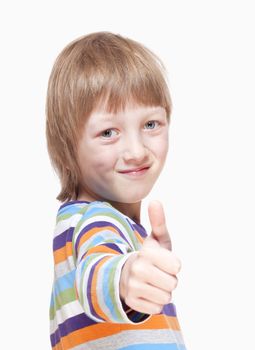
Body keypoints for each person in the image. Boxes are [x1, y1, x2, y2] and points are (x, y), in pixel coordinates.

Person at [46, 31, 186, 350]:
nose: (136, 150)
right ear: (68, 146)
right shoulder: (92, 219)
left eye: (151, 124)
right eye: (108, 132)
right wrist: (124, 278)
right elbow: (97, 268)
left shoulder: (102, 221)